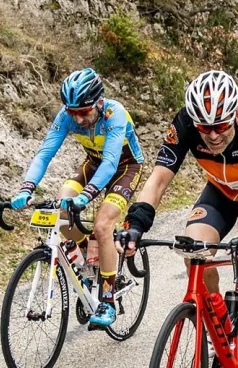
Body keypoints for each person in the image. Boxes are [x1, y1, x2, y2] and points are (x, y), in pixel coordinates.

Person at [117, 70, 238, 368]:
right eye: (204, 128)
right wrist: (136, 223)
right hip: (220, 193)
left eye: (221, 126)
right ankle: (217, 326)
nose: (212, 136)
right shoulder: (183, 124)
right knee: (193, 250)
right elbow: (158, 179)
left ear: (236, 115)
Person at [10, 67, 144, 328]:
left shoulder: (114, 114)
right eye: (73, 113)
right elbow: (45, 153)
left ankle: (107, 300)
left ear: (99, 102)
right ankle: (87, 251)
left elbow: (110, 163)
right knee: (62, 206)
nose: (79, 119)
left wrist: (86, 196)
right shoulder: (68, 115)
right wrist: (27, 188)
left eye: (84, 112)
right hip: (92, 164)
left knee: (103, 226)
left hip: (125, 167)